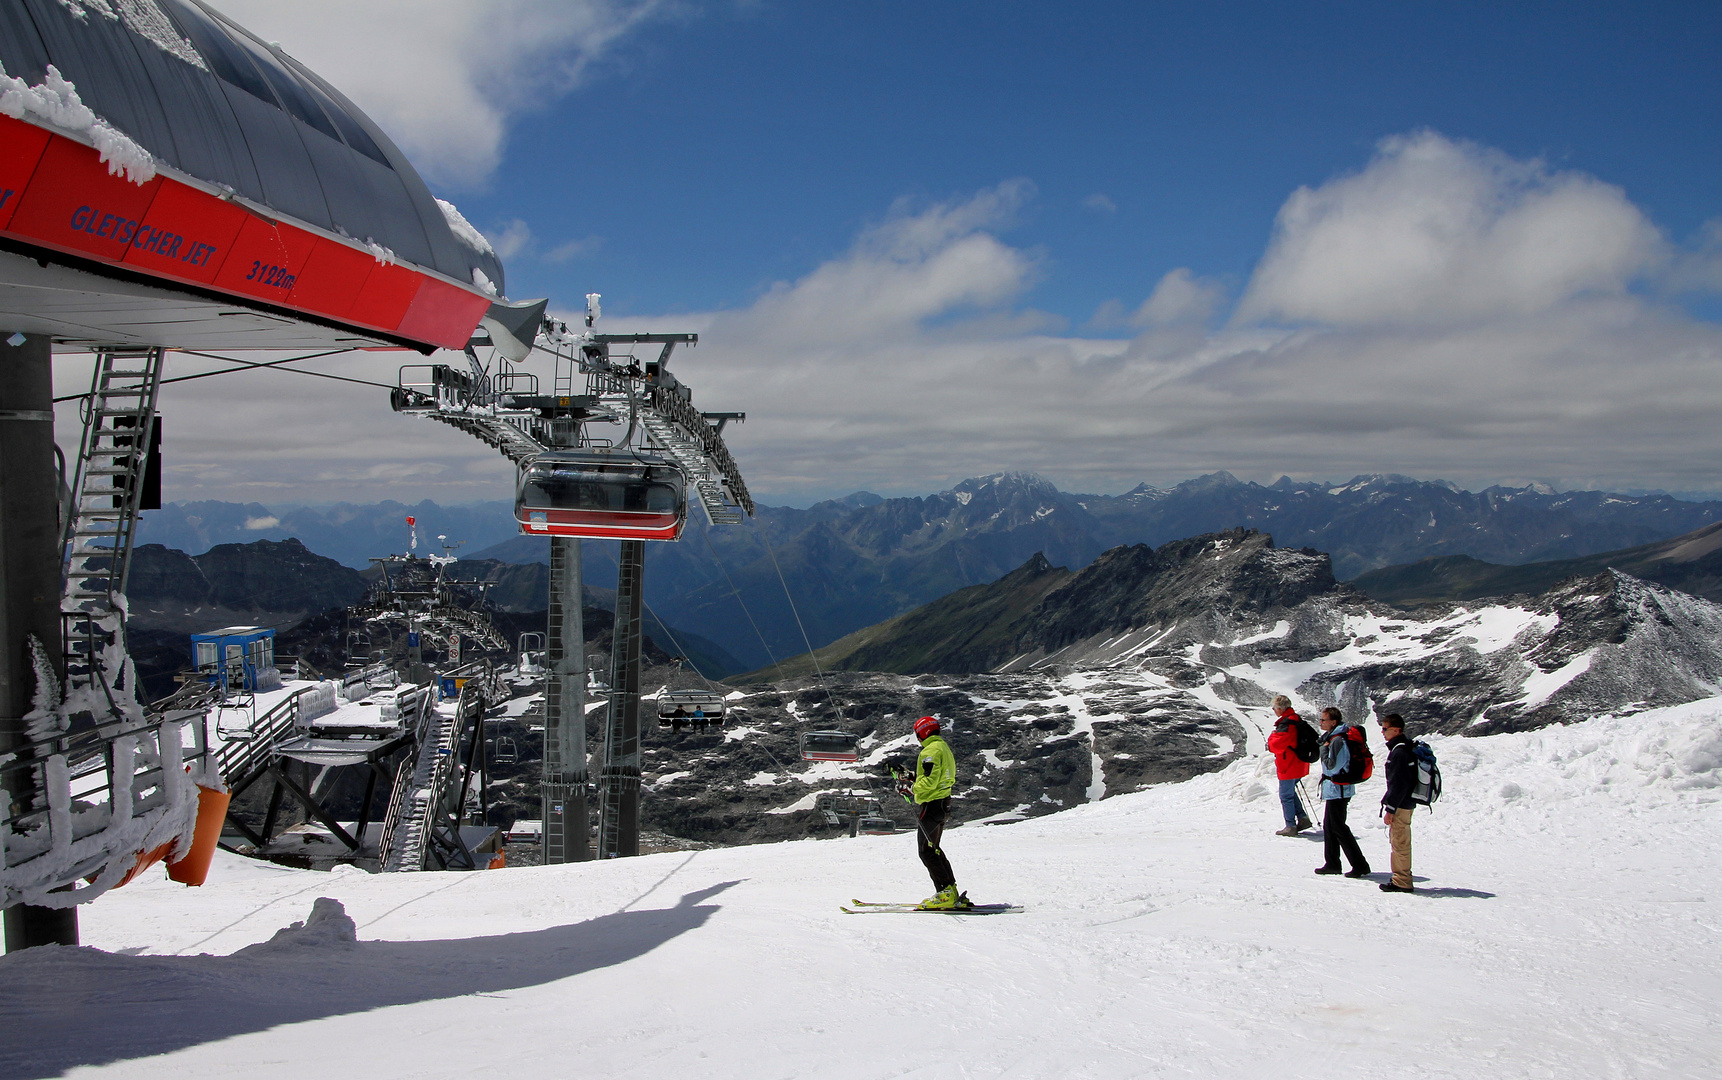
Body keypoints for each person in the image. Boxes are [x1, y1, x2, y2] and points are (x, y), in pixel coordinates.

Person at [905, 714, 965, 909]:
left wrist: (911, 789)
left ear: (922, 733)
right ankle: (950, 890)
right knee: (934, 848)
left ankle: (945, 894)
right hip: (943, 803)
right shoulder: (943, 748)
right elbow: (934, 775)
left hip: (931, 804)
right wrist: (913, 777)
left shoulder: (929, 751)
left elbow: (930, 781)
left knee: (926, 851)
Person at [1314, 706, 1371, 879]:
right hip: (1337, 788)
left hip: (1338, 788)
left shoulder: (1337, 740)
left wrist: (1323, 750)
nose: (1321, 722)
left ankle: (1359, 864)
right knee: (1330, 826)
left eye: (1323, 720)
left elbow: (1333, 766)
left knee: (1338, 827)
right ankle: (1332, 863)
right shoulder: (1335, 737)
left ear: (1333, 721)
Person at [1377, 713, 1416, 893]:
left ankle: (1402, 880)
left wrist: (1390, 808)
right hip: (1405, 803)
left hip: (1401, 804)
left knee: (1399, 842)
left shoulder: (1399, 752)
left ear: (1396, 730)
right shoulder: (1404, 748)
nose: (1383, 732)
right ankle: (1401, 877)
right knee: (1400, 840)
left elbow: (1398, 784)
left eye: (1385, 729)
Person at [1265, 695, 1313, 835]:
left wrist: (1272, 736)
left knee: (1286, 795)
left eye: (1274, 708)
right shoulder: (1296, 719)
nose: (1274, 710)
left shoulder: (1286, 724)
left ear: (1279, 709)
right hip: (1298, 763)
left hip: (1288, 764)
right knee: (1290, 792)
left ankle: (1290, 826)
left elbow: (1276, 745)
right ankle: (1303, 818)